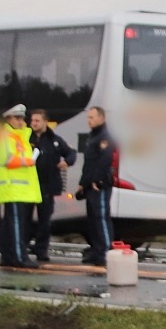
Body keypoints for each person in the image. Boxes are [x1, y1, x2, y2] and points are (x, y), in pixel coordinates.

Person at [0, 103, 42, 269]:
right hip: (12, 189)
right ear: (8, 119)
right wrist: (27, 161)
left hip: (21, 190)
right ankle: (19, 257)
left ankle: (7, 256)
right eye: (17, 118)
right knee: (16, 226)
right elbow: (5, 160)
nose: (21, 121)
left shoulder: (21, 137)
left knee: (11, 225)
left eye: (22, 118)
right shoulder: (5, 137)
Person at [28, 109, 75, 262]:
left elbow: (71, 153)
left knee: (45, 220)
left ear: (45, 122)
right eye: (32, 121)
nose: (34, 124)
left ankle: (41, 249)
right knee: (25, 219)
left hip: (47, 186)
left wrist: (66, 162)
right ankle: (23, 245)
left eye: (37, 121)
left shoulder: (54, 140)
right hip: (29, 185)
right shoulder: (27, 138)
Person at [74, 106, 117, 263]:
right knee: (92, 218)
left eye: (92, 117)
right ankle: (96, 250)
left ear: (102, 118)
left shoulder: (104, 137)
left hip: (100, 184)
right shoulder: (92, 137)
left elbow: (105, 161)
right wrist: (82, 183)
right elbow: (89, 163)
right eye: (88, 118)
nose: (89, 121)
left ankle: (105, 251)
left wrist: (96, 180)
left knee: (101, 217)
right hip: (90, 184)